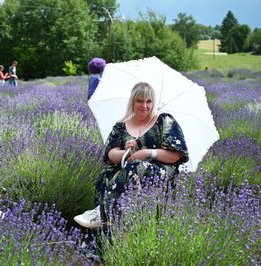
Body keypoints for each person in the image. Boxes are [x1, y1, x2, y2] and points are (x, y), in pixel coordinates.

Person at [74, 82, 189, 229]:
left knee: (136, 166)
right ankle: (102, 238)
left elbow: (175, 156)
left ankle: (102, 214)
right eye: (139, 101)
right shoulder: (121, 126)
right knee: (104, 178)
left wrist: (147, 153)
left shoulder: (164, 121)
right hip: (128, 170)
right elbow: (110, 155)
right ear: (132, 102)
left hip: (159, 173)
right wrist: (128, 152)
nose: (144, 106)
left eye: (149, 101)